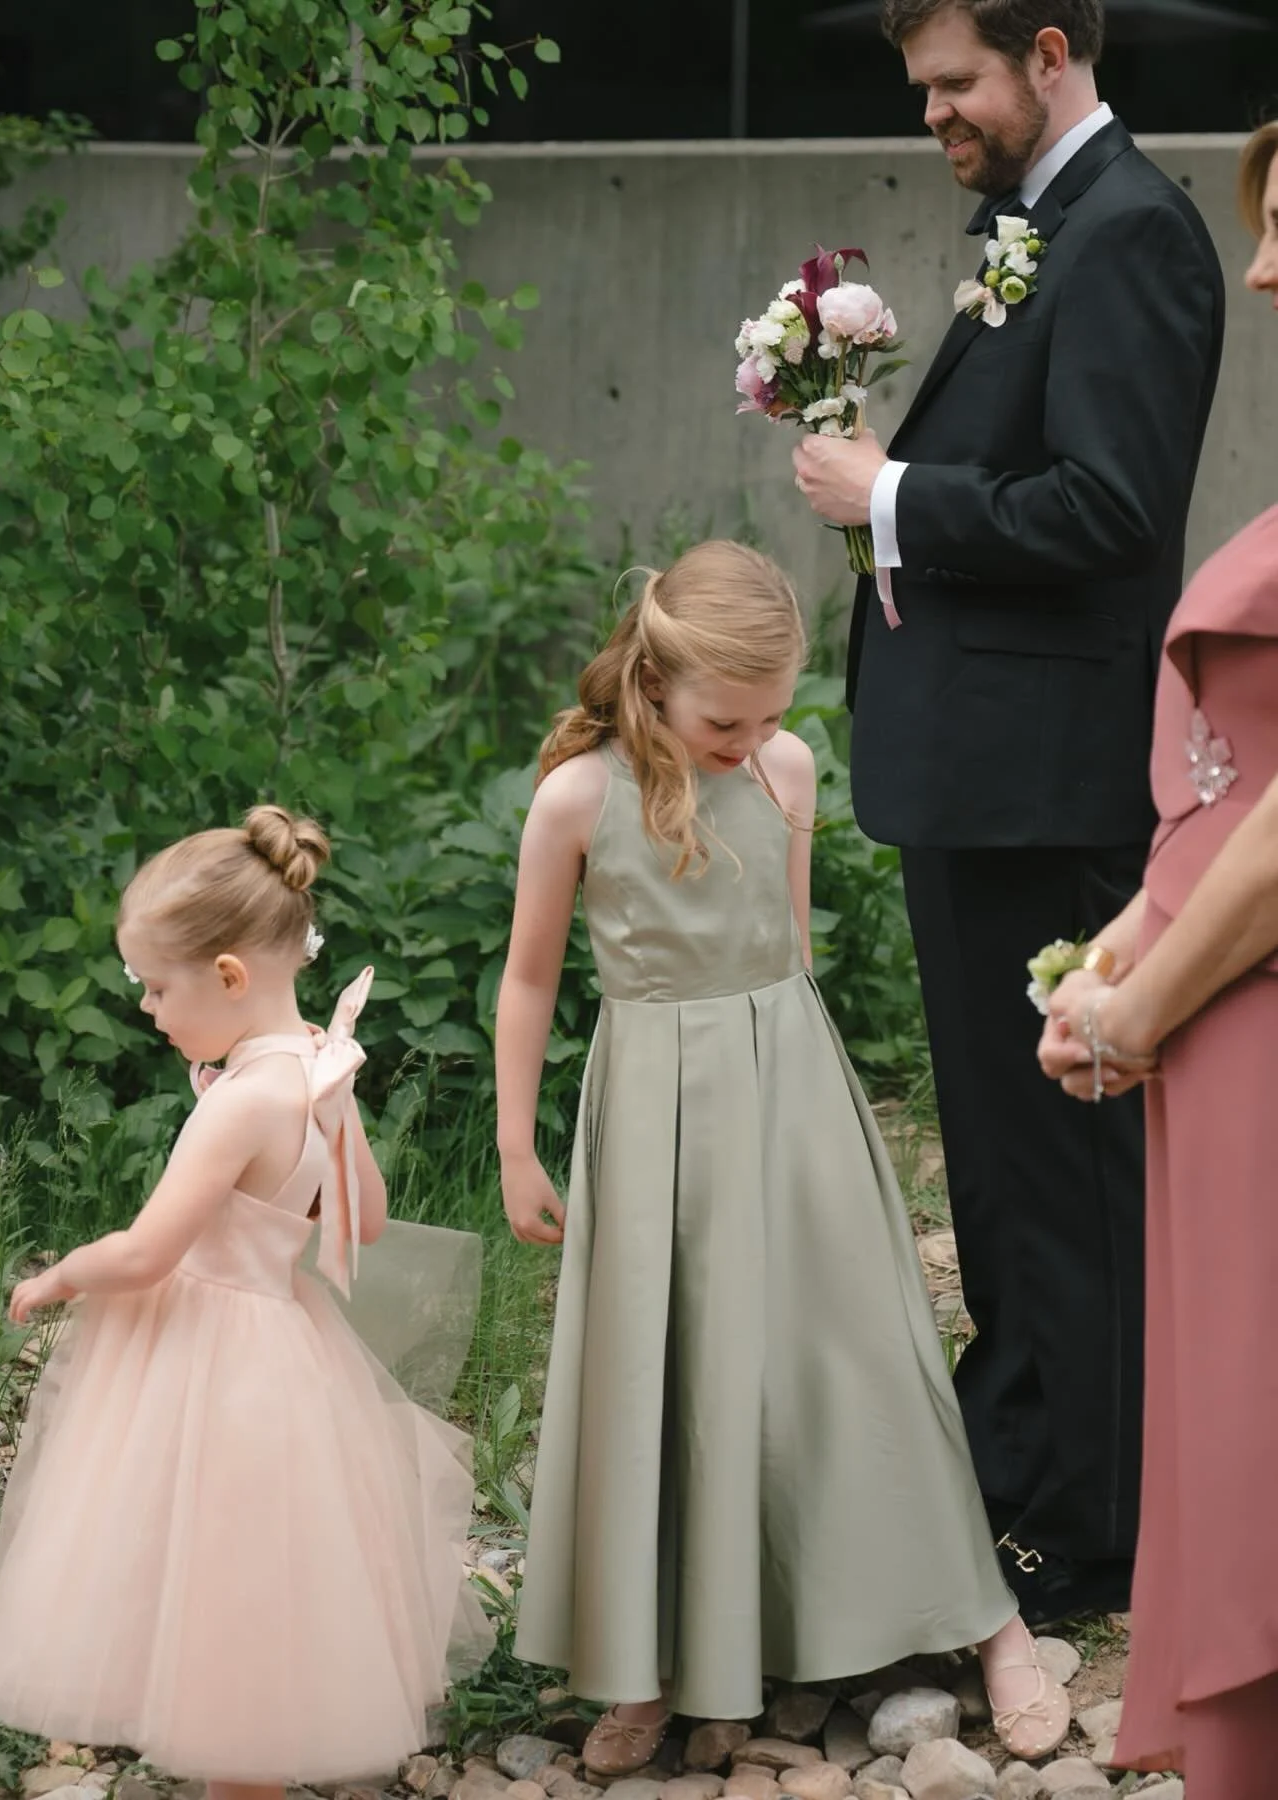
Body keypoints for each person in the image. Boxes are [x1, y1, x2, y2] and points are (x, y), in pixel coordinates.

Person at [791, 0, 1225, 1626]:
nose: (935, 115)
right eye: (923, 91)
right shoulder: (1040, 224)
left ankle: (1081, 1525)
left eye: (956, 82)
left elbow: (1111, 508)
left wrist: (890, 496)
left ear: (1051, 50)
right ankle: (1028, 1462)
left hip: (1045, 788)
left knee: (1059, 1167)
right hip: (984, 781)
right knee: (997, 1160)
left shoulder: (1134, 234)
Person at [495, 540, 1067, 1773]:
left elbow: (790, 950)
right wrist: (513, 1145)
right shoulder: (577, 798)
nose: (750, 741)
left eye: (769, 716)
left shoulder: (789, 768)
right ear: (653, 682)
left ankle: (986, 1620)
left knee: (859, 1346)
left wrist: (813, 1116)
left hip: (790, 1087)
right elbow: (532, 975)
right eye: (724, 719)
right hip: (652, 1099)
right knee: (667, 1359)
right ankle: (653, 1662)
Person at [0, 805, 490, 1796]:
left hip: (211, 1349)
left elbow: (149, 1250)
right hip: (287, 1347)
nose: (151, 1011)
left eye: (156, 988)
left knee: (205, 1555)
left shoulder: (245, 1100)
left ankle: (236, 1768)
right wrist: (337, 1128)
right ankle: (252, 1759)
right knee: (264, 1570)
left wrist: (65, 1272)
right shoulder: (318, 1074)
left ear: (230, 976)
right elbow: (366, 1221)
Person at [1036, 121, 1278, 1799]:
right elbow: (1232, 788)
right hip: (1216, 1009)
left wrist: (1145, 1000)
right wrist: (1114, 947)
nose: (1260, 267)